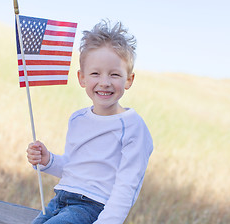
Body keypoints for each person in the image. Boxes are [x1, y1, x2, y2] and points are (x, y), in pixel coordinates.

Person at [26, 20, 153, 224]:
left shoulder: (132, 127)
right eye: (95, 73)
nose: (104, 82)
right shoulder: (78, 119)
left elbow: (126, 188)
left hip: (91, 208)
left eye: (114, 74)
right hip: (59, 201)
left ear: (128, 80)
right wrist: (47, 160)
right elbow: (74, 169)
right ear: (82, 78)